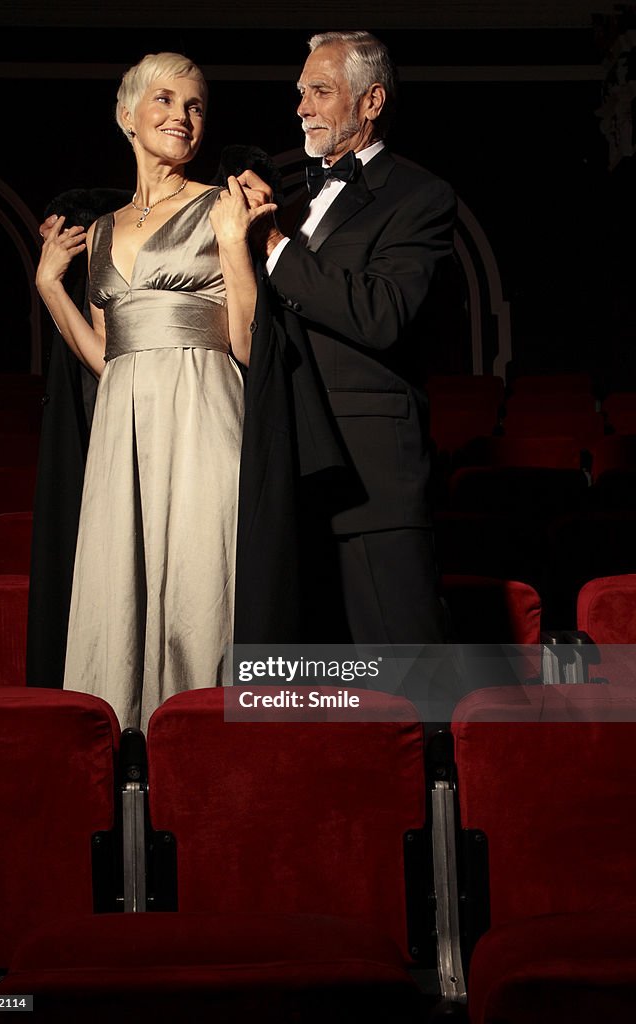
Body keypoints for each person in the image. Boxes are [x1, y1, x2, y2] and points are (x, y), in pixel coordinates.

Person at [35, 52, 275, 730]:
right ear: (127, 116)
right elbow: (110, 359)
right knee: (122, 592)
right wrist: (52, 288)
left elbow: (252, 346)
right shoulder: (103, 228)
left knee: (205, 585)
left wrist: (234, 245)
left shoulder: (221, 205)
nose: (183, 117)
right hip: (124, 426)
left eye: (196, 106)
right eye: (166, 101)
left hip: (205, 411)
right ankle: (127, 767)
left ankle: (208, 754)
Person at [238, 30, 457, 644]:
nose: (302, 106)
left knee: (407, 685)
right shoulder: (288, 194)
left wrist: (276, 248)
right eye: (300, 92)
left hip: (371, 480)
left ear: (372, 102)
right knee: (309, 690)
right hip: (289, 468)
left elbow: (384, 313)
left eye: (321, 91)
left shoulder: (420, 196)